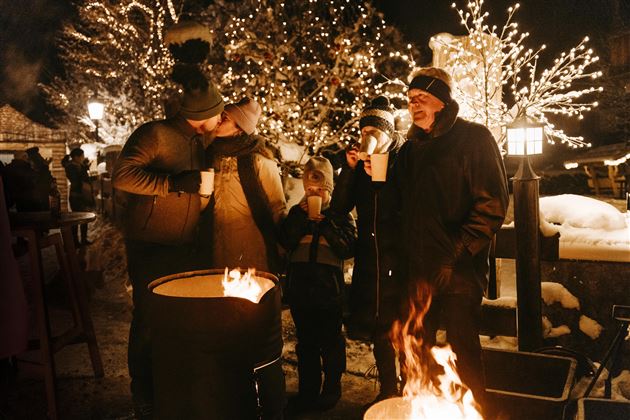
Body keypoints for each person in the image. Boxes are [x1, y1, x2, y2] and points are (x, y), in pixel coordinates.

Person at [394, 67, 509, 410]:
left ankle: (474, 413)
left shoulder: (474, 139)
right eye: (411, 99)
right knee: (415, 348)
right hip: (418, 269)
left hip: (459, 269)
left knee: (462, 353)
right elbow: (400, 206)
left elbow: (492, 204)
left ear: (442, 102)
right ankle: (422, 410)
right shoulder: (410, 148)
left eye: (422, 98)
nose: (414, 105)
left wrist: (456, 252)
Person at [112, 74, 224, 418]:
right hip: (151, 245)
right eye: (218, 113)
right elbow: (123, 175)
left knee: (179, 321)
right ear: (204, 114)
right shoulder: (155, 134)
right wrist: (173, 183)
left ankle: (171, 389)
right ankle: (143, 394)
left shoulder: (198, 140)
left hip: (185, 245)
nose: (221, 120)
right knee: (148, 320)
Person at [330, 96, 405, 407]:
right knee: (379, 328)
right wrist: (349, 171)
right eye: (364, 131)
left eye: (375, 131)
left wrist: (383, 176)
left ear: (388, 134)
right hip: (369, 258)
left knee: (404, 327)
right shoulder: (359, 166)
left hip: (399, 258)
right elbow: (339, 208)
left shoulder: (403, 160)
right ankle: (388, 389)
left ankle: (412, 389)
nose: (368, 137)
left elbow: (405, 205)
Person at [280, 156, 356, 414]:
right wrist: (301, 221)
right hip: (301, 288)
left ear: (330, 189)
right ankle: (308, 391)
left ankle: (332, 388)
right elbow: (286, 241)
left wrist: (327, 225)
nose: (315, 193)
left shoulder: (340, 214)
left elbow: (347, 247)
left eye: (320, 190)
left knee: (331, 342)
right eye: (310, 190)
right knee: (307, 344)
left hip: (329, 290)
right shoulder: (296, 213)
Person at [204, 97, 287, 274]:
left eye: (225, 118)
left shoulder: (259, 160)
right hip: (218, 246)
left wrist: (280, 248)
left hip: (253, 248)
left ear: (239, 129)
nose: (218, 119)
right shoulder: (210, 156)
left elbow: (277, 207)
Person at [62, 147, 95, 246]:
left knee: (84, 217)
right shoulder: (71, 167)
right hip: (76, 195)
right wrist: (83, 169)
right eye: (82, 156)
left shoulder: (78, 166)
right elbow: (76, 180)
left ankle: (83, 239)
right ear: (76, 157)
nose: (83, 158)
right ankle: (75, 241)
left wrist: (84, 168)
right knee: (75, 218)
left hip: (82, 194)